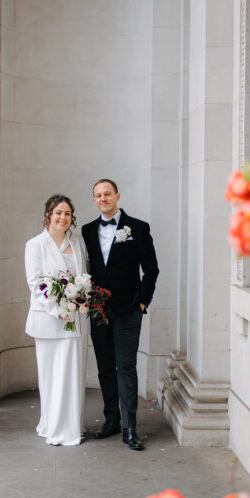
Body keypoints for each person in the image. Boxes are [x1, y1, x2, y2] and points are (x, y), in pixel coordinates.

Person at [81, 178, 159, 451]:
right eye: (98, 195)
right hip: (98, 311)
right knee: (105, 368)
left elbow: (151, 269)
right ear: (94, 200)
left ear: (117, 196)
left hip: (129, 310)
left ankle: (130, 427)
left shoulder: (137, 228)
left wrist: (141, 303)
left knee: (126, 367)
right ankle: (111, 419)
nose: (103, 199)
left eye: (107, 194)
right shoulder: (87, 230)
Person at [25, 194, 88, 446]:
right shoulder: (35, 245)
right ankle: (52, 426)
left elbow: (83, 276)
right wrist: (58, 308)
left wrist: (78, 301)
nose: (63, 218)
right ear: (48, 215)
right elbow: (36, 282)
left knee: (72, 373)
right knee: (51, 375)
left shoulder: (78, 242)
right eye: (58, 213)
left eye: (67, 214)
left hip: (76, 319)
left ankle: (71, 426)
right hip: (49, 319)